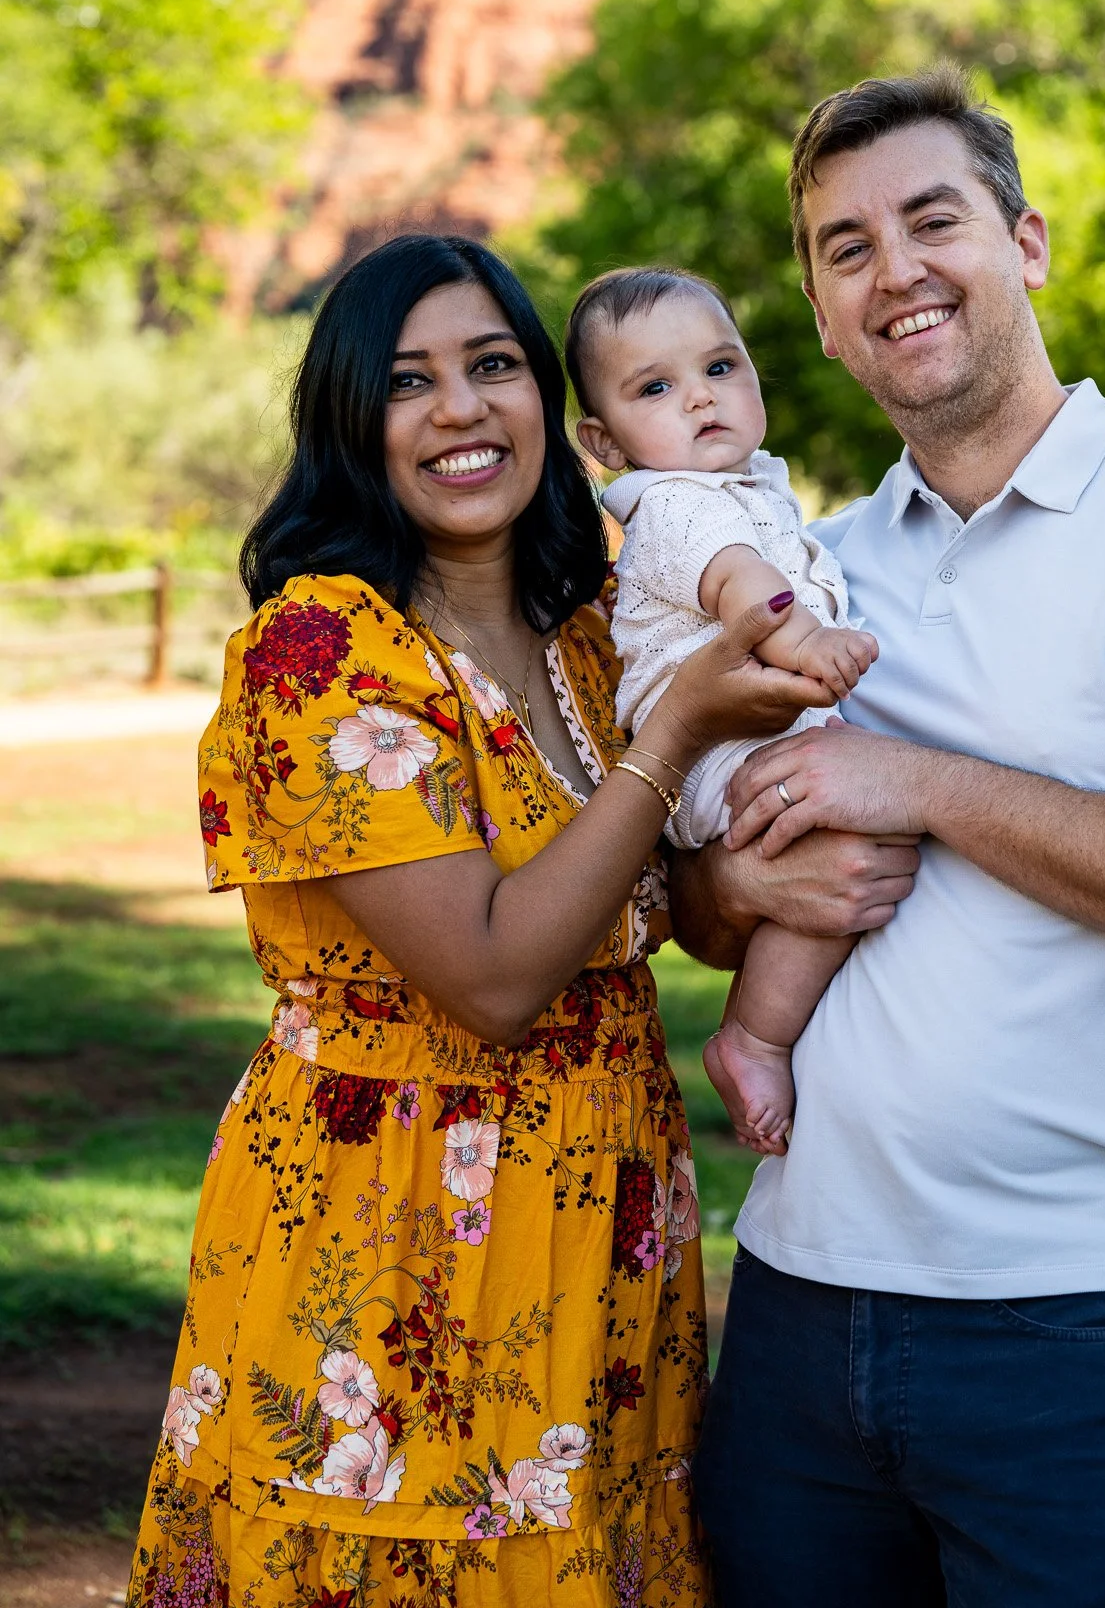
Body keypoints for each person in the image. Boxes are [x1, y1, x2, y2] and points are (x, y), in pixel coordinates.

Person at [674, 67, 1105, 1608]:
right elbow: (707, 904)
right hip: (794, 1308)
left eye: (931, 220)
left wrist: (916, 784)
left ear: (1024, 241)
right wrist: (735, 879)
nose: (892, 270)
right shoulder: (809, 573)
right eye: (844, 250)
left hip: (1083, 1328)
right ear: (820, 315)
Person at [127, 235, 834, 1608]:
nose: (460, 407)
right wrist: (681, 730)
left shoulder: (586, 636)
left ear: (549, 406)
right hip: (389, 1239)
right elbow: (498, 975)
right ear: (349, 420)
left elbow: (631, 906)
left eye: (491, 365)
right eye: (408, 381)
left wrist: (752, 886)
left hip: (599, 1223)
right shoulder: (321, 651)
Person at [565, 265, 878, 1155]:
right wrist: (810, 642)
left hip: (753, 735)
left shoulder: (745, 491)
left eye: (720, 368)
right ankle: (753, 1038)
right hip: (712, 749)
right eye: (656, 388)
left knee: (850, 840)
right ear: (605, 439)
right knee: (849, 830)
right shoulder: (672, 508)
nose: (701, 399)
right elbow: (747, 590)